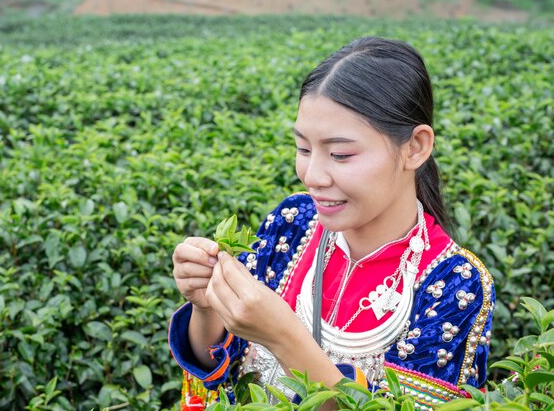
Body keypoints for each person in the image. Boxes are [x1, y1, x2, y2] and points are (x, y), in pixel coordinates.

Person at [169, 36, 495, 410]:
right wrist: (207, 304)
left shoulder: (454, 281)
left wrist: (283, 338)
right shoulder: (292, 224)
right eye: (303, 149)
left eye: (340, 154)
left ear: (415, 147)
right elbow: (219, 370)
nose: (313, 176)